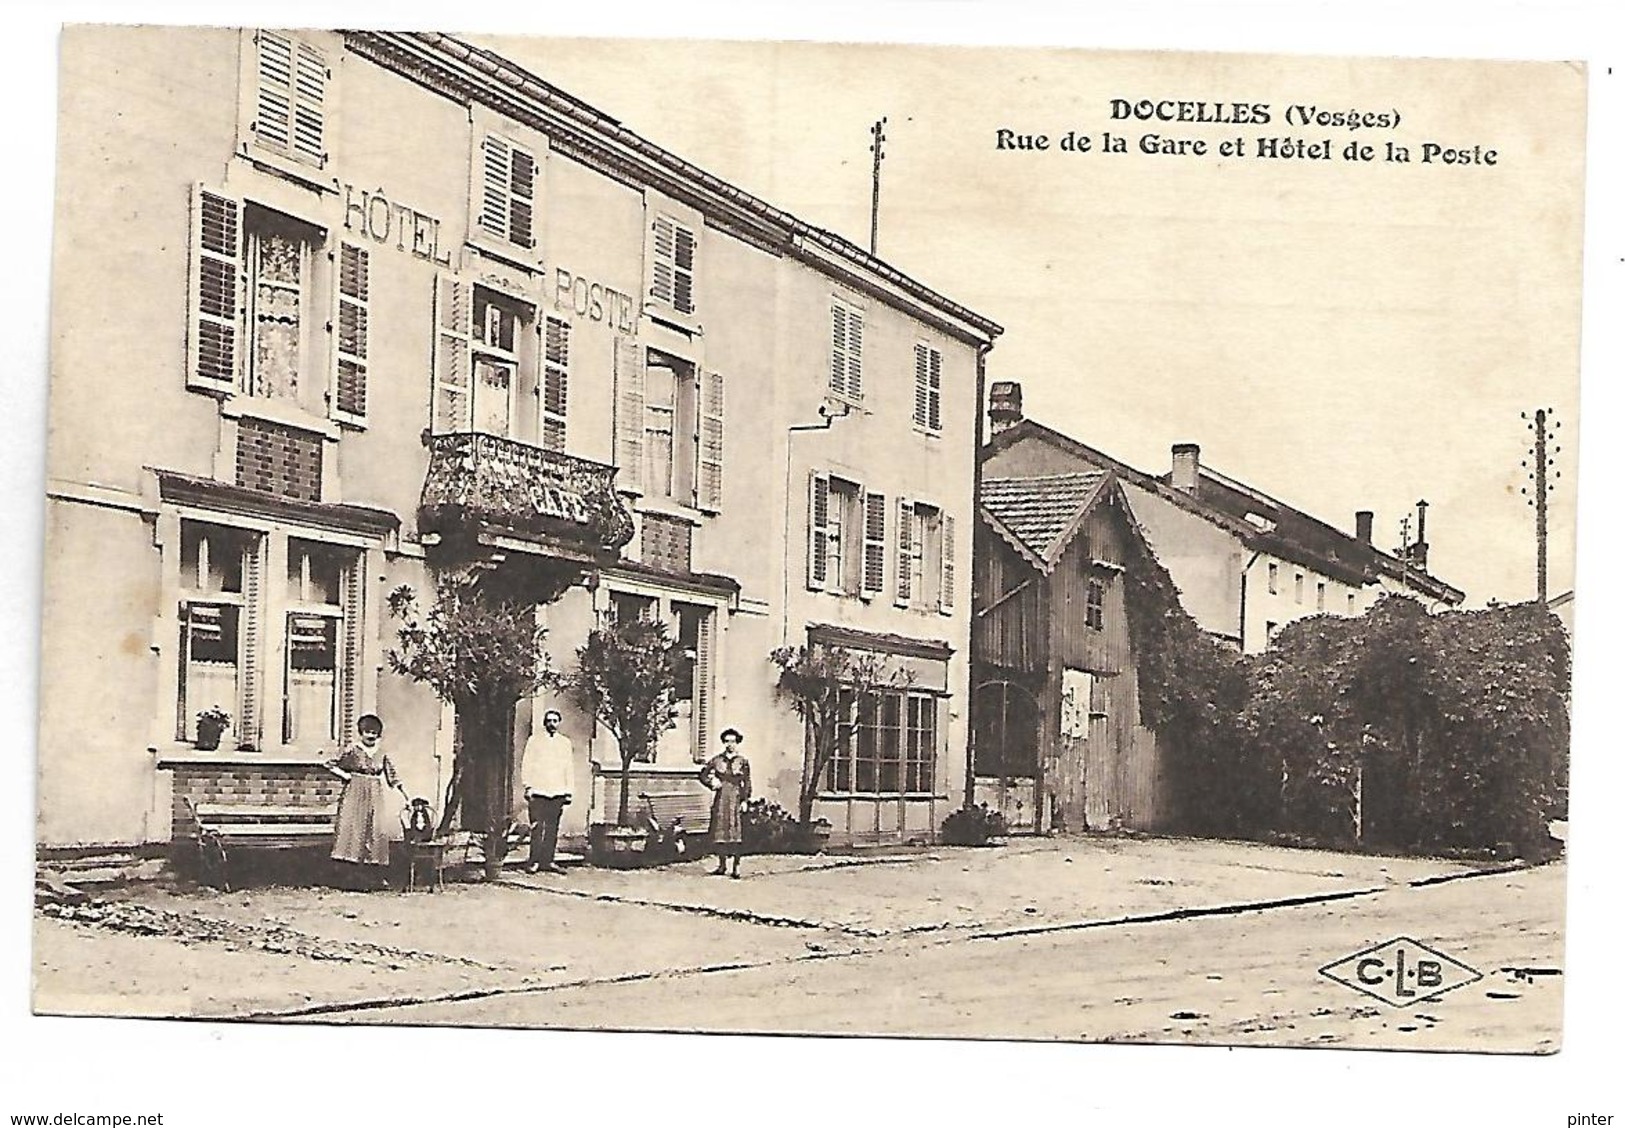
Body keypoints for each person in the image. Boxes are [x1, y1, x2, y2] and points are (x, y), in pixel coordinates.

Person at [328, 714, 408, 890]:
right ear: (360, 733)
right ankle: (349, 878)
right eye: (367, 732)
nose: (370, 736)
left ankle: (374, 877)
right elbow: (331, 764)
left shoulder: (381, 753)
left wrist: (404, 795)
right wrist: (346, 776)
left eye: (374, 733)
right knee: (354, 829)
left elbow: (392, 774)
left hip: (375, 790)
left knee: (375, 829)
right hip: (355, 790)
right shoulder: (353, 750)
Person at [521, 708, 575, 875]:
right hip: (539, 790)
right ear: (544, 723)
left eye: (554, 721)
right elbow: (527, 764)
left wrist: (568, 791)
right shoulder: (534, 741)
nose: (551, 724)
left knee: (553, 828)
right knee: (537, 827)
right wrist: (528, 786)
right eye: (549, 720)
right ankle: (534, 861)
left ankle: (548, 860)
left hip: (557, 790)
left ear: (559, 723)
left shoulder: (565, 743)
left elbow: (568, 767)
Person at [699, 727, 751, 878]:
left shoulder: (742, 762)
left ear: (737, 743)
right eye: (727, 741)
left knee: (735, 832)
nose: (730, 744)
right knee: (720, 831)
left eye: (733, 741)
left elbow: (746, 782)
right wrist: (712, 782)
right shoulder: (717, 760)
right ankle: (721, 865)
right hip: (721, 797)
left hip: (735, 797)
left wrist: (745, 800)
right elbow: (703, 774)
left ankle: (736, 867)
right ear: (723, 742)